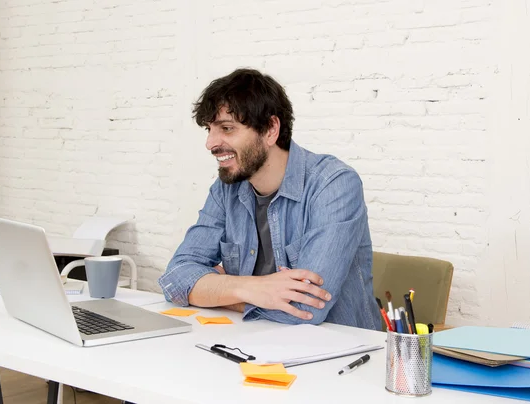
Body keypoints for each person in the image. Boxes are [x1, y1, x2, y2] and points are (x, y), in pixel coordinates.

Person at [158, 68, 379, 329]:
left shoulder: (334, 184)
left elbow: (303, 308)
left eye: (227, 128)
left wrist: (216, 289)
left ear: (271, 129)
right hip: (255, 344)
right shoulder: (226, 189)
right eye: (209, 129)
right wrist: (253, 287)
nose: (210, 143)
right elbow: (175, 279)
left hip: (340, 355)